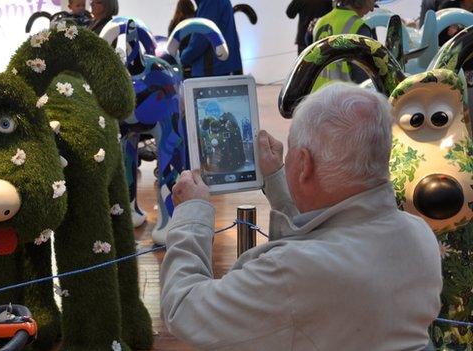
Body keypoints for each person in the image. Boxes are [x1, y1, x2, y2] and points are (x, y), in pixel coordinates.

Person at [160, 83, 442, 350]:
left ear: (304, 164)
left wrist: (191, 213)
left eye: (292, 151)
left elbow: (184, 308)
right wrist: (276, 178)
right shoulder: (419, 235)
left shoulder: (291, 272)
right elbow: (327, 240)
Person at [312, 0, 376, 90]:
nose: (372, 9)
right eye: (373, 1)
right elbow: (362, 75)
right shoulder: (359, 26)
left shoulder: (321, 22)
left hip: (317, 94)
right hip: (344, 97)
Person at [180, 0, 243, 77]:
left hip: (212, 70)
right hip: (222, 68)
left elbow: (200, 41)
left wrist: (182, 58)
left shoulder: (210, 2)